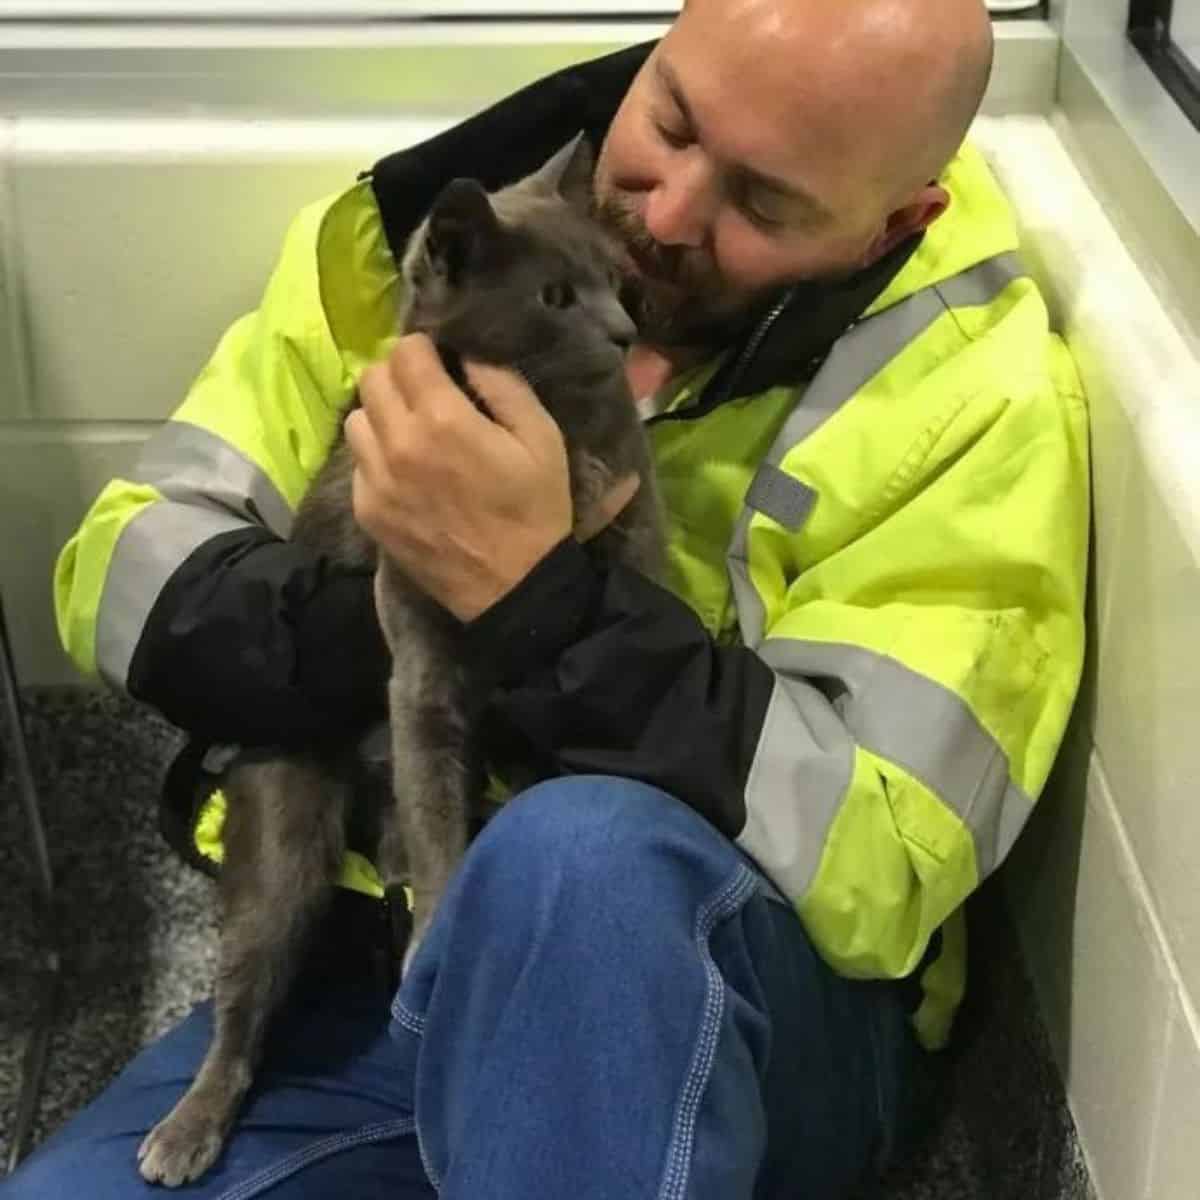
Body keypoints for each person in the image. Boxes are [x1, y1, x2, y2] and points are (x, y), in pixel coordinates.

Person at [12, 0, 1089, 1196]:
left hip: (723, 992)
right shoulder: (400, 245)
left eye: (767, 204)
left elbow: (880, 856)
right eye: (672, 122)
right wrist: (407, 601)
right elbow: (123, 574)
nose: (670, 215)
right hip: (364, 969)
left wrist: (548, 607)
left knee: (578, 856)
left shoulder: (971, 394)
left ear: (903, 218)